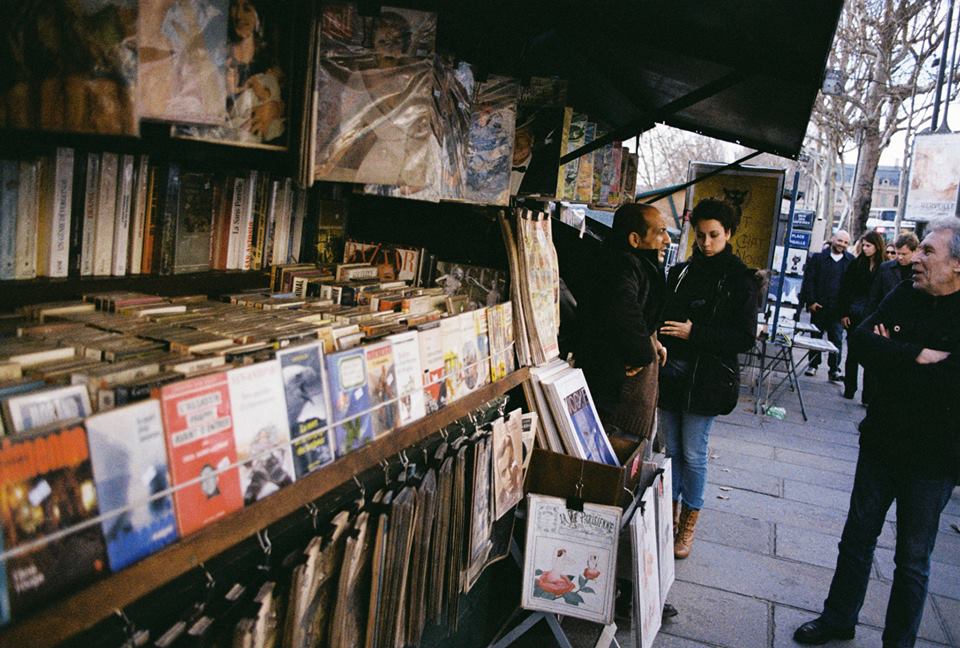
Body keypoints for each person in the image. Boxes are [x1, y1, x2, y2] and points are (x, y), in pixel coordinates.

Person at [793, 217, 960, 647]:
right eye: (918, 249)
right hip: (882, 442)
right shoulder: (904, 293)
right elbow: (863, 343)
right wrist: (916, 356)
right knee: (856, 539)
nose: (915, 259)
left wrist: (894, 360)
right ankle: (838, 618)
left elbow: (950, 383)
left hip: (933, 458)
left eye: (928, 252)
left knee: (912, 561)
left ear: (957, 265)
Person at [657, 199, 759, 559]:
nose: (706, 242)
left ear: (728, 234)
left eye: (714, 235)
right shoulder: (681, 271)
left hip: (708, 378)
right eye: (700, 235)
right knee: (671, 452)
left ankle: (687, 525)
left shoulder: (740, 280)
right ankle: (665, 520)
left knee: (694, 452)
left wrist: (694, 333)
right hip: (671, 373)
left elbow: (744, 337)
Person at [577, 203, 671, 449]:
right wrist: (642, 353)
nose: (667, 240)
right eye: (660, 232)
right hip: (616, 394)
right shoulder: (621, 266)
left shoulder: (635, 265)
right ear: (634, 239)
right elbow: (623, 310)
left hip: (624, 393)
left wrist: (651, 341)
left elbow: (641, 312)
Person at [800, 230, 854, 381]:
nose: (842, 245)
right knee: (815, 337)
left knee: (836, 339)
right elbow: (809, 280)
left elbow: (852, 288)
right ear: (832, 239)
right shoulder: (818, 258)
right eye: (840, 241)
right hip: (819, 306)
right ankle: (813, 364)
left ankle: (834, 369)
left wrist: (847, 310)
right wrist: (810, 301)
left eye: (845, 242)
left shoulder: (850, 261)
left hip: (838, 309)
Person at [838, 230, 885, 401]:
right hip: (855, 312)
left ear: (877, 246)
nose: (865, 249)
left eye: (868, 245)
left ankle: (868, 395)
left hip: (873, 314)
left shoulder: (884, 267)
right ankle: (850, 388)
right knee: (853, 353)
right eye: (863, 245)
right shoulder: (856, 264)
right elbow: (845, 290)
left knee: (871, 356)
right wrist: (844, 313)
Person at [869, 231, 919, 311]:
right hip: (887, 314)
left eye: (904, 254)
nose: (900, 257)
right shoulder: (885, 268)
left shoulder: (920, 270)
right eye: (898, 253)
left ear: (914, 251)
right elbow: (874, 296)